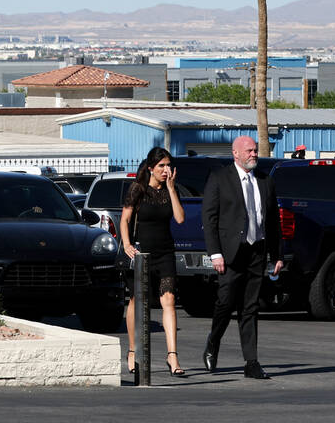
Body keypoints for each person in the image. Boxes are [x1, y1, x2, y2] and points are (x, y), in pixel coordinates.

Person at [201, 135, 282, 380]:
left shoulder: (265, 181)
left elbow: (273, 222)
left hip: (256, 251)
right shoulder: (220, 178)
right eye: (249, 151)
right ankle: (213, 342)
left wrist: (276, 255)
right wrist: (215, 253)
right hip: (230, 253)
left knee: (250, 307)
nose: (253, 154)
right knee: (225, 303)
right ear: (235, 153)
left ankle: (251, 362)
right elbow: (209, 218)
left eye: (255, 151)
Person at [120, 147, 186, 377]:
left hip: (165, 252)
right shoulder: (138, 189)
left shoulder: (171, 189)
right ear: (151, 168)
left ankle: (172, 355)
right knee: (137, 301)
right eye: (161, 166)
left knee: (169, 299)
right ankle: (131, 350)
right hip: (142, 253)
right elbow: (125, 218)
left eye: (168, 165)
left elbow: (179, 218)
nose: (166, 170)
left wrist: (171, 189)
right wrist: (127, 244)